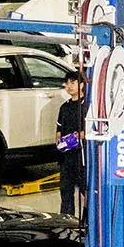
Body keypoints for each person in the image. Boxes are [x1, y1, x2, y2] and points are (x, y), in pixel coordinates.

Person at [56, 70, 86, 220]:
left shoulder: (86, 106)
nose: (69, 86)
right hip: (66, 158)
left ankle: (88, 220)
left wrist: (76, 137)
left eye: (72, 83)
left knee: (85, 189)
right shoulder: (64, 107)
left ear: (81, 85)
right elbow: (58, 129)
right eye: (67, 83)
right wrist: (60, 142)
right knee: (66, 191)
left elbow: (90, 132)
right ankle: (67, 220)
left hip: (81, 157)